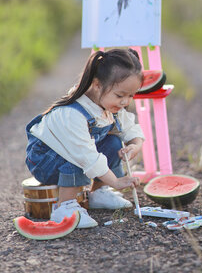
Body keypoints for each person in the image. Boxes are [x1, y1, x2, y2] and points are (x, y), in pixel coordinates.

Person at [25, 48, 144, 228]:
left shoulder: (107, 105)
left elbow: (130, 128)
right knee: (76, 155)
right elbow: (86, 155)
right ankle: (64, 207)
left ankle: (98, 192)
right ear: (96, 84)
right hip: (46, 163)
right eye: (120, 95)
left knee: (113, 141)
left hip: (77, 157)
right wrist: (117, 181)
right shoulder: (72, 113)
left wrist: (135, 145)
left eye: (131, 96)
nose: (125, 102)